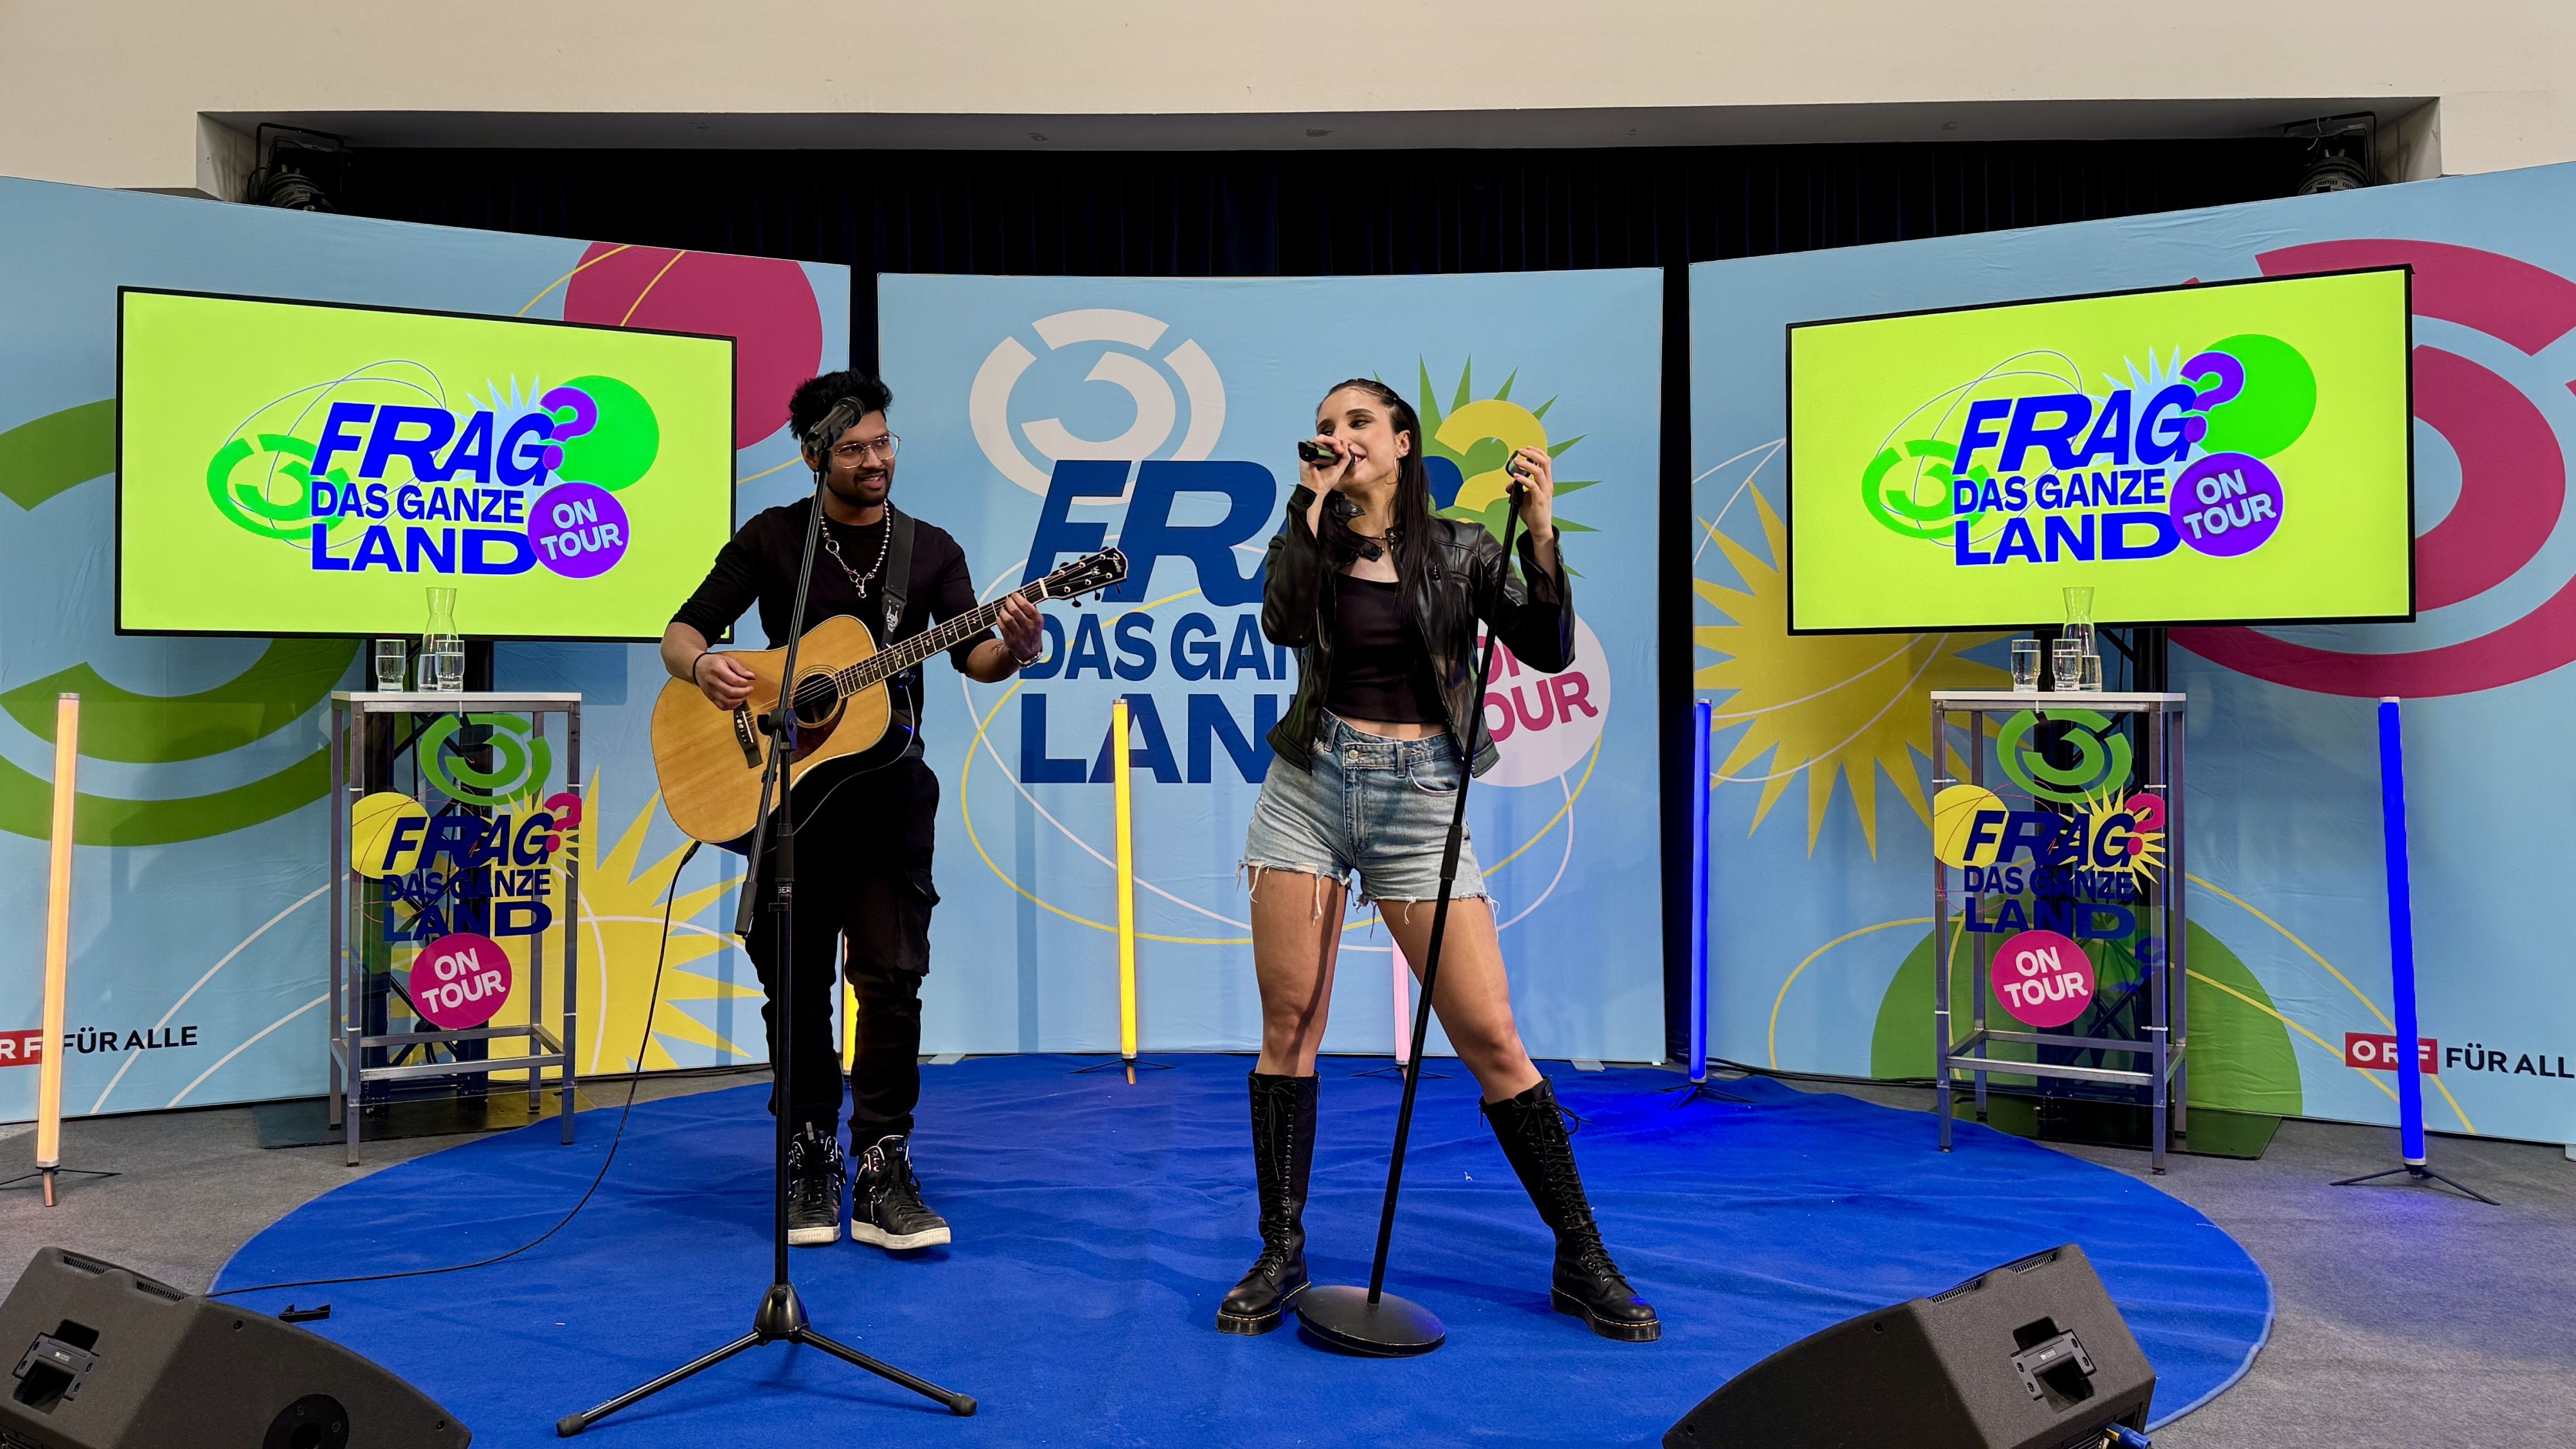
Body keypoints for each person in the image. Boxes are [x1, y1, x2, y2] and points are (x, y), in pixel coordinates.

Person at [1219, 377, 1658, 1341]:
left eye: (1358, 423)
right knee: (1289, 1024)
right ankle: (1281, 1251)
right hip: (1310, 788)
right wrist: (1306, 506)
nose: (1339, 437)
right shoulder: (1313, 536)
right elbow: (1282, 622)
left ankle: (1581, 1257)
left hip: (1421, 798)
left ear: (1404, 442)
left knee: (1491, 1037)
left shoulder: (1462, 548)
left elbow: (1546, 648)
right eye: (1326, 426)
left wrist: (1539, 532)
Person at [662, 370, 1043, 1252]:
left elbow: (975, 658)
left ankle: (882, 1165)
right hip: (786, 798)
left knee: (891, 979)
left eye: (883, 444)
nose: (875, 461)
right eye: (854, 449)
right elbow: (683, 633)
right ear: (812, 456)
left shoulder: (930, 550)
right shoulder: (773, 538)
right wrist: (703, 667)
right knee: (794, 985)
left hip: (889, 796)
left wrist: (1017, 648)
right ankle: (808, 1153)